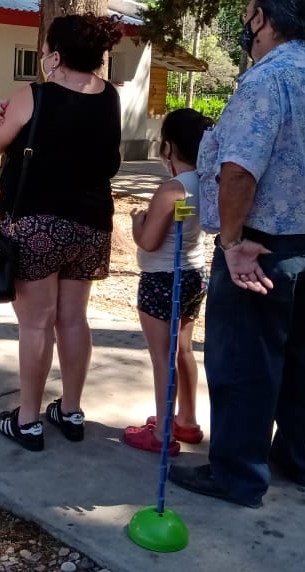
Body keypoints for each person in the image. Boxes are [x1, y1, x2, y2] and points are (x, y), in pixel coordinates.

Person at [169, 0, 305, 507]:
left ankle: (237, 474)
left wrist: (232, 244)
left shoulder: (266, 81)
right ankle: (294, 457)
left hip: (259, 250)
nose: (244, 23)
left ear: (262, 18)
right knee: (299, 354)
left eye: (247, 12)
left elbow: (237, 174)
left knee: (242, 361)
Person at [0, 14, 123, 452]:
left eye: (46, 49)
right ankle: (72, 409)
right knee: (74, 319)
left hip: (38, 222)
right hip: (91, 224)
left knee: (36, 323)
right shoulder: (111, 97)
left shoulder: (34, 94)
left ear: (56, 55)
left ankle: (28, 419)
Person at [123, 108, 213, 456]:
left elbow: (149, 241)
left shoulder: (171, 190)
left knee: (162, 356)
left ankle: (161, 432)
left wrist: (136, 224)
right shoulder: (206, 183)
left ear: (168, 147)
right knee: (184, 350)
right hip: (193, 273)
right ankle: (186, 421)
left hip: (162, 277)